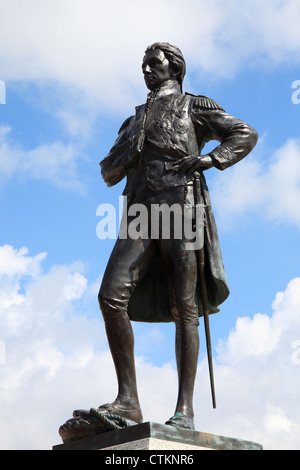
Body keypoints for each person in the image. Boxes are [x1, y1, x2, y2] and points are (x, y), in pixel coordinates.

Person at [59, 43, 258, 440]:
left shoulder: (194, 106)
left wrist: (209, 159)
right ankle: (128, 400)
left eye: (155, 63)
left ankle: (184, 410)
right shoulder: (132, 121)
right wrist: (132, 148)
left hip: (182, 208)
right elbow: (107, 172)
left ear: (175, 67)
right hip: (139, 214)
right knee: (110, 296)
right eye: (144, 65)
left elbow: (244, 133)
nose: (147, 70)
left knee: (185, 307)